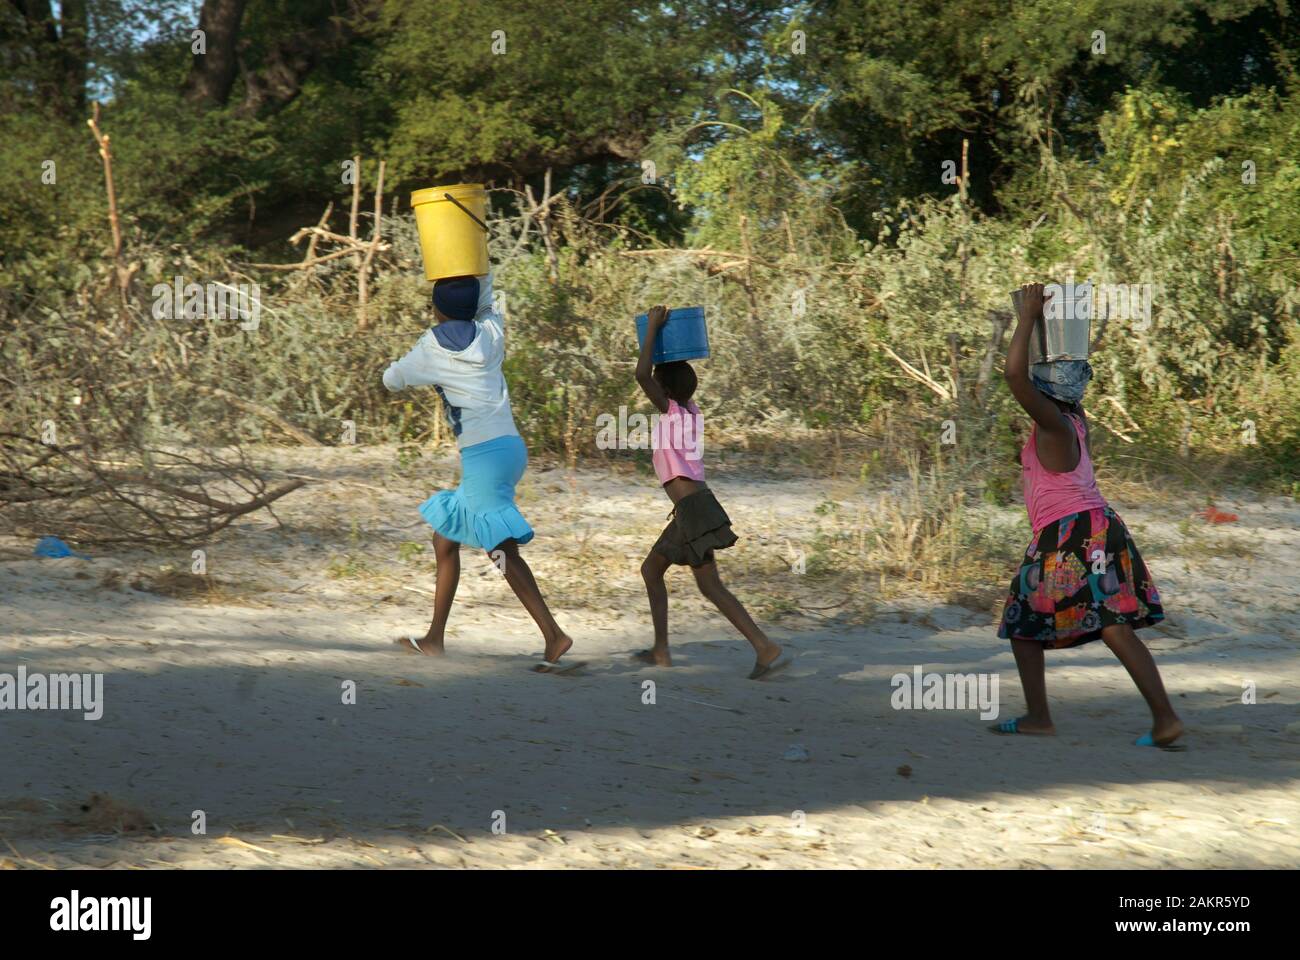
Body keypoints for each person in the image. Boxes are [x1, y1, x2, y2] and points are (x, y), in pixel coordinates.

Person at [994, 282, 1181, 746]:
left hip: (1067, 532)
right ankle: (1165, 719)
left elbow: (1015, 378)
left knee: (1024, 622)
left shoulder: (1054, 422)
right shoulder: (1075, 419)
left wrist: (1027, 317)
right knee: (1112, 625)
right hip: (1101, 526)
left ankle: (1040, 717)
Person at [382, 274, 574, 669]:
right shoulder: (490, 333)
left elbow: (392, 380)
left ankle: (554, 636)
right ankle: (434, 638)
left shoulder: (429, 349)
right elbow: (486, 298)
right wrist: (476, 265)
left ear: (435, 308)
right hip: (507, 448)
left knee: (500, 549)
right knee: (445, 538)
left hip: (484, 455)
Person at [633, 304, 787, 679]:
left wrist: (652, 328)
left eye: (660, 383)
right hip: (694, 508)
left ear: (665, 391)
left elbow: (641, 373)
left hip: (694, 512)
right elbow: (666, 378)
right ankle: (661, 650)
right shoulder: (692, 411)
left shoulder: (672, 412)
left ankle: (764, 647)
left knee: (711, 587)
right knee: (652, 571)